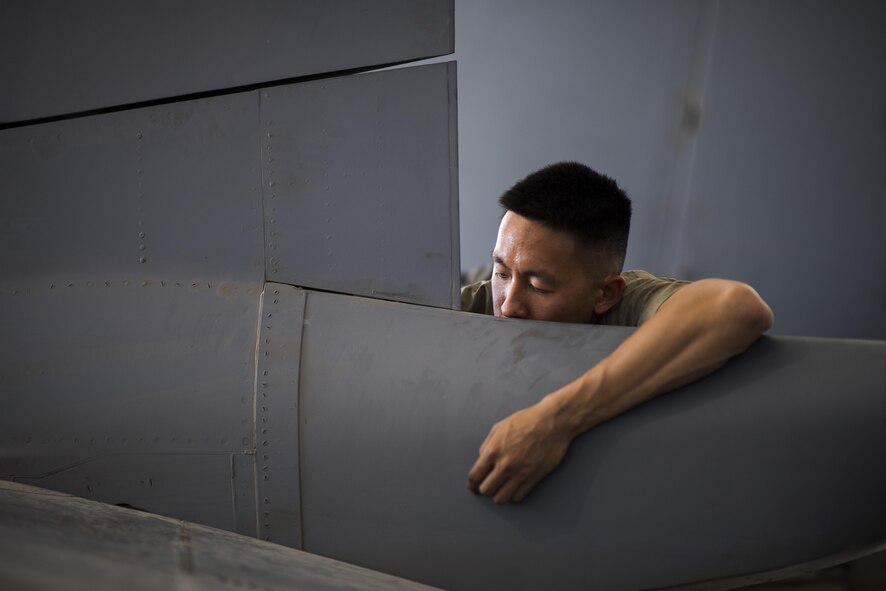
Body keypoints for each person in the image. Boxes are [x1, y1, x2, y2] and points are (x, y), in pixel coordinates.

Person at [462, 162, 774, 504]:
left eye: (538, 286)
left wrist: (555, 421)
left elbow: (738, 308)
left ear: (605, 294)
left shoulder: (627, 302)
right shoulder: (466, 300)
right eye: (502, 273)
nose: (508, 306)